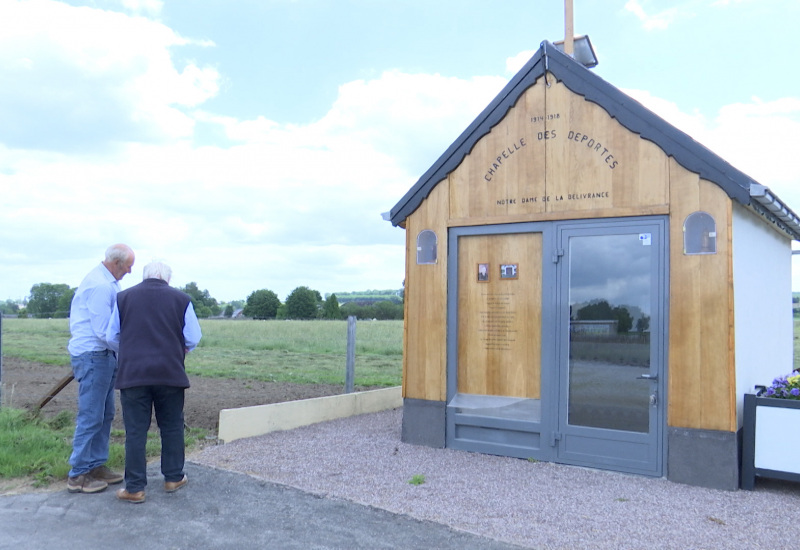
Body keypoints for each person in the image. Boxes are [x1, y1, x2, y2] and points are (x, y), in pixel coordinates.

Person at [106, 261, 202, 504]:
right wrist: (179, 351)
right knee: (171, 427)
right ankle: (173, 478)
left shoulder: (123, 297)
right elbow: (193, 337)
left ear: (144, 276)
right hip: (170, 374)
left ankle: (135, 488)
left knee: (136, 431)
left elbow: (111, 336)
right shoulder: (182, 299)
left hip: (133, 375)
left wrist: (130, 351)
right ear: (167, 279)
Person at [67, 243, 135, 494]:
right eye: (128, 266)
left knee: (104, 414)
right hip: (95, 355)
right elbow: (103, 331)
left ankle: (94, 465)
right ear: (117, 263)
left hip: (103, 356)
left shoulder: (107, 283)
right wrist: (130, 348)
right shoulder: (101, 286)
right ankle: (78, 475)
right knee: (91, 415)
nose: (129, 272)